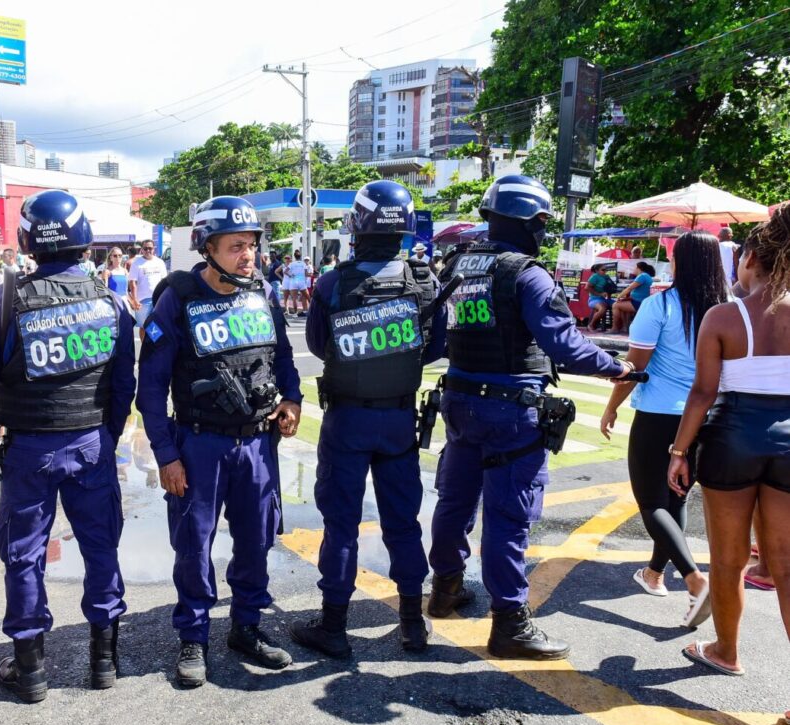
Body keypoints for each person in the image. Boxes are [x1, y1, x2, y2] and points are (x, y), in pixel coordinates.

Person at [428, 174, 630, 660]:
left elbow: (436, 334)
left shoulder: (456, 263)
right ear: (531, 222)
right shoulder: (527, 273)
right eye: (541, 222)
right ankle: (510, 624)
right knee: (508, 516)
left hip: (458, 401)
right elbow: (564, 344)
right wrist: (616, 367)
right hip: (511, 411)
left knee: (455, 501)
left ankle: (445, 590)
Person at [0, 190, 136, 702]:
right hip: (91, 444)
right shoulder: (109, 300)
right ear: (84, 241)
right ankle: (103, 662)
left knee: (24, 556)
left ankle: (31, 670)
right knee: (101, 546)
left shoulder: (5, 299)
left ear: (26, 240)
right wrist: (105, 434)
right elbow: (121, 383)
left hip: (28, 450)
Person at [137, 195, 302, 687]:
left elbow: (285, 359)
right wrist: (166, 454)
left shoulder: (263, 294)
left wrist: (291, 401)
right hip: (199, 444)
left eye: (251, 245)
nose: (247, 255)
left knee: (256, 539)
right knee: (194, 545)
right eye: (235, 246)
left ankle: (247, 627)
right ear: (207, 248)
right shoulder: (179, 298)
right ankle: (193, 637)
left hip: (257, 445)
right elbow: (150, 388)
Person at [290, 180, 446, 658]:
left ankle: (334, 626)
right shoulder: (425, 280)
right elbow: (436, 348)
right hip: (399, 420)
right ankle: (411, 624)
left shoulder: (335, 283)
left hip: (347, 422)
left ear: (357, 224)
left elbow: (318, 345)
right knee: (403, 523)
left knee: (341, 525)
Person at [668, 205, 790, 687]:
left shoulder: (724, 315)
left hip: (732, 436)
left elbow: (703, 393)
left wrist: (679, 453)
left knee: (729, 557)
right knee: (784, 562)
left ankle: (725, 650)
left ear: (751, 259)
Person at [599, 231, 727, 626]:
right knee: (677, 498)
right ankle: (655, 574)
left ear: (679, 263)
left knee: (652, 502)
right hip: (707, 416)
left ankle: (693, 579)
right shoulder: (728, 308)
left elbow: (635, 370)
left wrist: (610, 408)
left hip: (659, 414)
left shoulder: (660, 305)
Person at [128, 238, 167, 327]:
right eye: (145, 248)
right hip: (142, 301)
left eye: (150, 248)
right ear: (141, 250)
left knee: (158, 326)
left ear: (154, 249)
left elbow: (164, 281)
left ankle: (154, 341)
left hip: (158, 300)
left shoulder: (160, 262)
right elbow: (132, 283)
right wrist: (135, 300)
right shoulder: (136, 263)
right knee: (144, 326)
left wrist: (165, 298)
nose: (148, 250)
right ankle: (144, 342)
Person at [612, 260, 655, 333]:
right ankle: (625, 328)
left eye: (635, 268)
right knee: (622, 306)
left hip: (639, 303)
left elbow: (630, 288)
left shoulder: (642, 276)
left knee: (615, 305)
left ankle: (615, 328)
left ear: (639, 268)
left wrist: (619, 296)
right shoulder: (646, 276)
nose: (634, 269)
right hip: (640, 301)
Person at [586, 262, 617, 330]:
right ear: (597, 270)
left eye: (606, 270)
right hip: (594, 299)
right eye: (603, 270)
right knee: (603, 308)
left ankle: (617, 327)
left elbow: (610, 288)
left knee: (619, 305)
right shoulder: (595, 276)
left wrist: (609, 295)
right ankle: (591, 325)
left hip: (604, 299)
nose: (605, 271)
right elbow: (587, 288)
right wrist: (599, 294)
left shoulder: (606, 277)